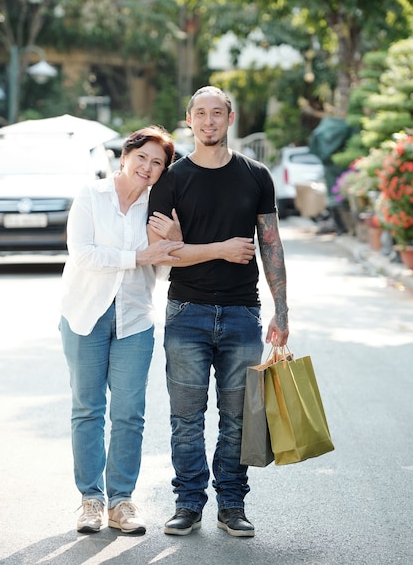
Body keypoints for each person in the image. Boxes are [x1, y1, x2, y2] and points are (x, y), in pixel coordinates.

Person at [147, 86, 289, 538]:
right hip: (185, 311)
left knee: (238, 416)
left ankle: (232, 503)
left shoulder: (256, 175)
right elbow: (160, 252)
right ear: (189, 119)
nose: (209, 121)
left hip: (243, 313)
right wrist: (220, 250)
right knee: (185, 417)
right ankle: (188, 503)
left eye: (217, 113)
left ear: (230, 117)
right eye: (200, 113)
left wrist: (281, 310)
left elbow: (270, 244)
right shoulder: (170, 179)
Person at [60, 126, 185, 535]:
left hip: (134, 319)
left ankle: (122, 501)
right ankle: (90, 501)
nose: (147, 168)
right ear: (125, 156)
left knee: (130, 414)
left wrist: (175, 239)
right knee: (88, 409)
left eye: (157, 163)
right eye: (142, 157)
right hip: (86, 315)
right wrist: (139, 255)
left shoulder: (159, 207)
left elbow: (164, 267)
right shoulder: (90, 196)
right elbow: (83, 254)